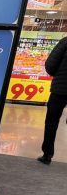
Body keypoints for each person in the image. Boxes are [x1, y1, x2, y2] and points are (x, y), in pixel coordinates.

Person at [38, 37, 67, 165]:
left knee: (51, 122)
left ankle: (47, 155)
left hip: (60, 89)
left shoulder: (65, 42)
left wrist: (59, 73)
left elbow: (50, 65)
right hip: (60, 86)